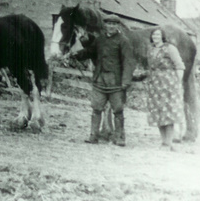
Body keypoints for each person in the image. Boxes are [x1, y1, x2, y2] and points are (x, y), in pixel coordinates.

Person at [74, 17, 135, 146]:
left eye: (113, 24)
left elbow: (129, 62)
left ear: (118, 26)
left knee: (118, 110)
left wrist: (126, 81)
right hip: (100, 80)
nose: (111, 26)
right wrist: (76, 55)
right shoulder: (100, 39)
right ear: (105, 25)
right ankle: (93, 136)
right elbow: (90, 51)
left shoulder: (123, 41)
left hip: (116, 83)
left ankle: (119, 138)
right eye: (108, 24)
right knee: (96, 109)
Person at [145, 28, 185, 150]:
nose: (156, 36)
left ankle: (168, 143)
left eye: (158, 34)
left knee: (168, 113)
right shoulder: (151, 49)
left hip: (169, 84)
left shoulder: (170, 48)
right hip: (155, 85)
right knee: (158, 113)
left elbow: (179, 65)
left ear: (163, 36)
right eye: (154, 35)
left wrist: (177, 83)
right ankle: (164, 141)